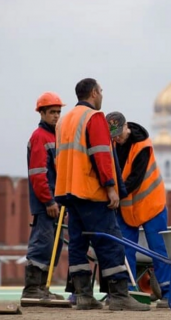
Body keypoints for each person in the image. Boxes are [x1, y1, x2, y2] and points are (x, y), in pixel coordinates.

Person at [54, 78, 149, 311]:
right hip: (90, 192)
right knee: (109, 242)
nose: (102, 95)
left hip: (68, 192)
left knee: (77, 244)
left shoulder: (64, 121)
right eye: (101, 91)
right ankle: (119, 296)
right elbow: (101, 155)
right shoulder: (94, 118)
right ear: (94, 93)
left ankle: (84, 296)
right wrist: (110, 187)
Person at [105, 111, 171, 309]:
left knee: (158, 249)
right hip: (128, 206)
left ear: (126, 127)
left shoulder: (142, 146)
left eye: (119, 134)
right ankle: (128, 293)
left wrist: (113, 194)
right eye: (113, 136)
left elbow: (134, 179)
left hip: (151, 204)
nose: (117, 139)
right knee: (124, 249)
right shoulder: (112, 144)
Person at [22, 92, 66, 301]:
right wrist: (48, 200)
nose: (56, 116)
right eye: (52, 112)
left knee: (53, 245)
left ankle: (43, 289)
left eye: (58, 112)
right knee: (42, 243)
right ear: (41, 113)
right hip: (46, 203)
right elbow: (38, 174)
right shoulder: (40, 137)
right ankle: (32, 289)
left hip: (57, 202)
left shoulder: (55, 136)